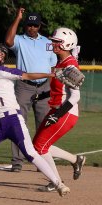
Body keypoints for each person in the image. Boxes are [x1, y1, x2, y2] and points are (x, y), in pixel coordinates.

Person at [0, 43, 70, 197]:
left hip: (13, 120)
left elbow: (28, 75)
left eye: (0, 53)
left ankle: (58, 184)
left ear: (4, 59)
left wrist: (51, 74)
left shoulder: (4, 71)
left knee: (31, 154)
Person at [32, 27, 86, 192]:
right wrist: (43, 96)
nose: (53, 43)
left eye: (57, 41)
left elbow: (75, 96)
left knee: (39, 147)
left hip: (65, 113)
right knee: (39, 146)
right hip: (57, 110)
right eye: (54, 40)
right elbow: (62, 89)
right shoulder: (60, 62)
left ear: (67, 44)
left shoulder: (70, 65)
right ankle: (75, 161)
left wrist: (57, 115)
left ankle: (56, 182)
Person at [5, 8, 57, 172]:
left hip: (44, 86)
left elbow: (53, 66)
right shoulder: (20, 40)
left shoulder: (48, 43)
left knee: (44, 124)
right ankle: (17, 162)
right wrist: (17, 18)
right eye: (29, 25)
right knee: (18, 123)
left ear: (39, 26)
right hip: (24, 86)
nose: (32, 28)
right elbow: (8, 41)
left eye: (35, 25)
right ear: (25, 25)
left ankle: (42, 161)